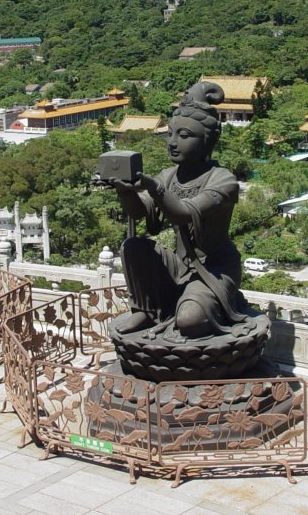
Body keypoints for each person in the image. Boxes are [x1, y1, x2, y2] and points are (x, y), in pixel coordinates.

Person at [105, 81, 256, 341]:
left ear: (209, 140)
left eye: (184, 136)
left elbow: (184, 213)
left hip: (215, 270)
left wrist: (154, 188)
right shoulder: (169, 175)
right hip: (179, 264)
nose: (173, 143)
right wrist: (125, 191)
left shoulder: (223, 180)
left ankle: (213, 305)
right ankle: (146, 310)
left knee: (189, 322)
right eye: (172, 134)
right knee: (133, 246)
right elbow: (140, 213)